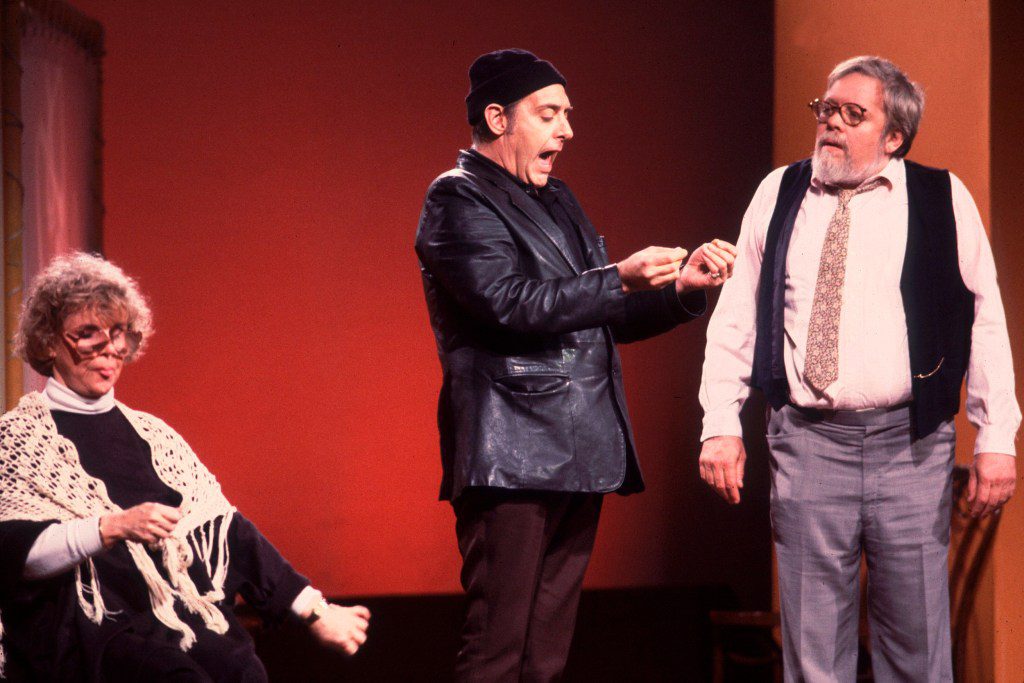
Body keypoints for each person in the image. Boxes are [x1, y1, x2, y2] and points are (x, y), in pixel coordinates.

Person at [415, 48, 737, 681]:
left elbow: (600, 314)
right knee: (497, 646)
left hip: (577, 447)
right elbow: (508, 305)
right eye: (549, 113)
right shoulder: (457, 200)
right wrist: (618, 278)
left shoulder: (557, 199)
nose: (566, 130)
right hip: (509, 455)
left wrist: (681, 292)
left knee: (546, 654)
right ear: (498, 118)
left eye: (567, 114)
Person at [698, 55, 1019, 681]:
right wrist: (720, 422)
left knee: (918, 652)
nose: (831, 125)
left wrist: (996, 436)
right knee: (815, 655)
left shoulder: (941, 197)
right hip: (808, 444)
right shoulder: (780, 191)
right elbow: (736, 314)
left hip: (912, 446)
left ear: (893, 135)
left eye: (853, 114)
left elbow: (985, 317)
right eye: (825, 110)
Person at [0, 252, 370, 682]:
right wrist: (109, 527)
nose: (111, 350)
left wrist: (314, 612)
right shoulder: (18, 439)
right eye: (88, 335)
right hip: (88, 630)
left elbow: (228, 531)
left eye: (119, 333)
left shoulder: (152, 435)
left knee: (241, 669)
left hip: (172, 617)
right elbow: (15, 552)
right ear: (48, 342)